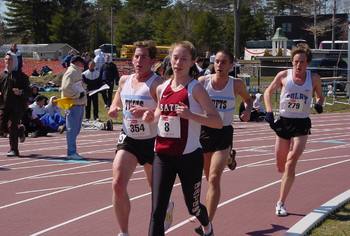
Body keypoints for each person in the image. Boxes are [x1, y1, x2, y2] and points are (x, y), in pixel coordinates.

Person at [144, 41, 223, 236]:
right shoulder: (162, 88)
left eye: (184, 59)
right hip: (162, 154)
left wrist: (191, 116)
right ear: (170, 59)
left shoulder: (195, 89)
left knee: (193, 207)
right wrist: (148, 116)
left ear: (192, 62)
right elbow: (157, 114)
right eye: (175, 58)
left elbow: (217, 122)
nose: (178, 62)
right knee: (157, 210)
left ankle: (206, 225)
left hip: (188, 157)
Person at [108, 40, 164, 236]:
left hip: (152, 140)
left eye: (144, 57)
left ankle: (165, 207)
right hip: (129, 138)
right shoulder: (125, 80)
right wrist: (114, 108)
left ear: (153, 61)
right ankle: (124, 232)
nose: (139, 60)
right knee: (118, 184)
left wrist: (149, 112)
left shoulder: (157, 83)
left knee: (155, 191)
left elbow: (165, 109)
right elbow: (118, 97)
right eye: (136, 56)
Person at [195, 50, 252, 235]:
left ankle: (207, 224)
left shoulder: (236, 84)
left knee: (213, 178)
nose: (219, 65)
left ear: (231, 65)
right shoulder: (203, 82)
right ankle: (229, 158)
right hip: (204, 132)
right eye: (217, 61)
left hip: (223, 133)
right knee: (206, 177)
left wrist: (247, 110)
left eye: (223, 62)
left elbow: (248, 100)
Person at [263, 45, 324, 216]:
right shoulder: (284, 76)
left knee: (291, 162)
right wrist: (268, 111)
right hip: (284, 122)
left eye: (302, 62)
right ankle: (286, 177)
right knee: (281, 164)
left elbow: (320, 95)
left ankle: (281, 203)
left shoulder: (314, 79)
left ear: (307, 63)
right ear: (292, 62)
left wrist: (319, 104)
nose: (299, 66)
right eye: (296, 62)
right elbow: (268, 92)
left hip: (301, 124)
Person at [0, 53, 30, 156]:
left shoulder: (21, 76)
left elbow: (29, 92)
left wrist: (20, 92)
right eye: (6, 59)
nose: (7, 61)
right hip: (4, 106)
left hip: (17, 106)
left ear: (15, 62)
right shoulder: (2, 75)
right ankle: (20, 130)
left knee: (12, 126)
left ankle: (14, 149)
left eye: (10, 60)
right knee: (2, 126)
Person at [60, 55, 87, 160]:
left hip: (78, 103)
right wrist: (77, 95)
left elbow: (77, 86)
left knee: (76, 129)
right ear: (77, 62)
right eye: (81, 62)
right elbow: (66, 88)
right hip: (73, 104)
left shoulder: (77, 72)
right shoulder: (71, 72)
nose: (83, 64)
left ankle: (72, 151)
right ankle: (71, 152)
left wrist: (84, 90)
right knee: (72, 129)